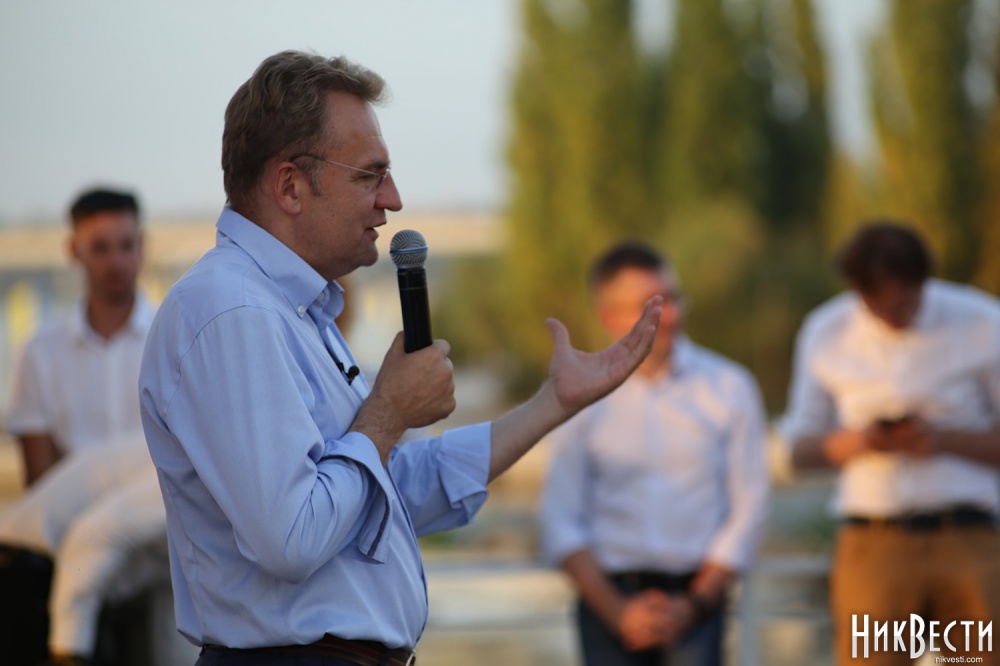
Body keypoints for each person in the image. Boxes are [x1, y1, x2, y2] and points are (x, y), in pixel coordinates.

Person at [137, 50, 662, 666]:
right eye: (370, 175)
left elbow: (381, 489)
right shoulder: (232, 311)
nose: (393, 199)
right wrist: (387, 413)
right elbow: (292, 535)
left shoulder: (290, 309)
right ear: (290, 186)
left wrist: (553, 403)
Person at [537, 241, 771, 666]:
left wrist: (695, 604)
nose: (670, 316)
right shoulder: (579, 397)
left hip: (700, 605)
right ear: (608, 316)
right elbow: (560, 516)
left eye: (673, 299)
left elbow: (750, 506)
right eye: (650, 305)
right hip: (606, 605)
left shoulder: (730, 387)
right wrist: (617, 612)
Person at [779, 221, 1000, 666]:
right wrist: (862, 442)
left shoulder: (982, 321)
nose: (893, 317)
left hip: (969, 537)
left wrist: (941, 440)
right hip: (873, 544)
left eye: (905, 304)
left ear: (924, 280)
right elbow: (798, 453)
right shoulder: (826, 331)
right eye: (877, 306)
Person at [0, 188, 167, 666]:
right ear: (74, 250)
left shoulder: (171, 339)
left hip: (159, 550)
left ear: (143, 246)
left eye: (126, 245)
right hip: (70, 549)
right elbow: (40, 480)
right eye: (100, 247)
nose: (116, 261)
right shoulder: (40, 352)